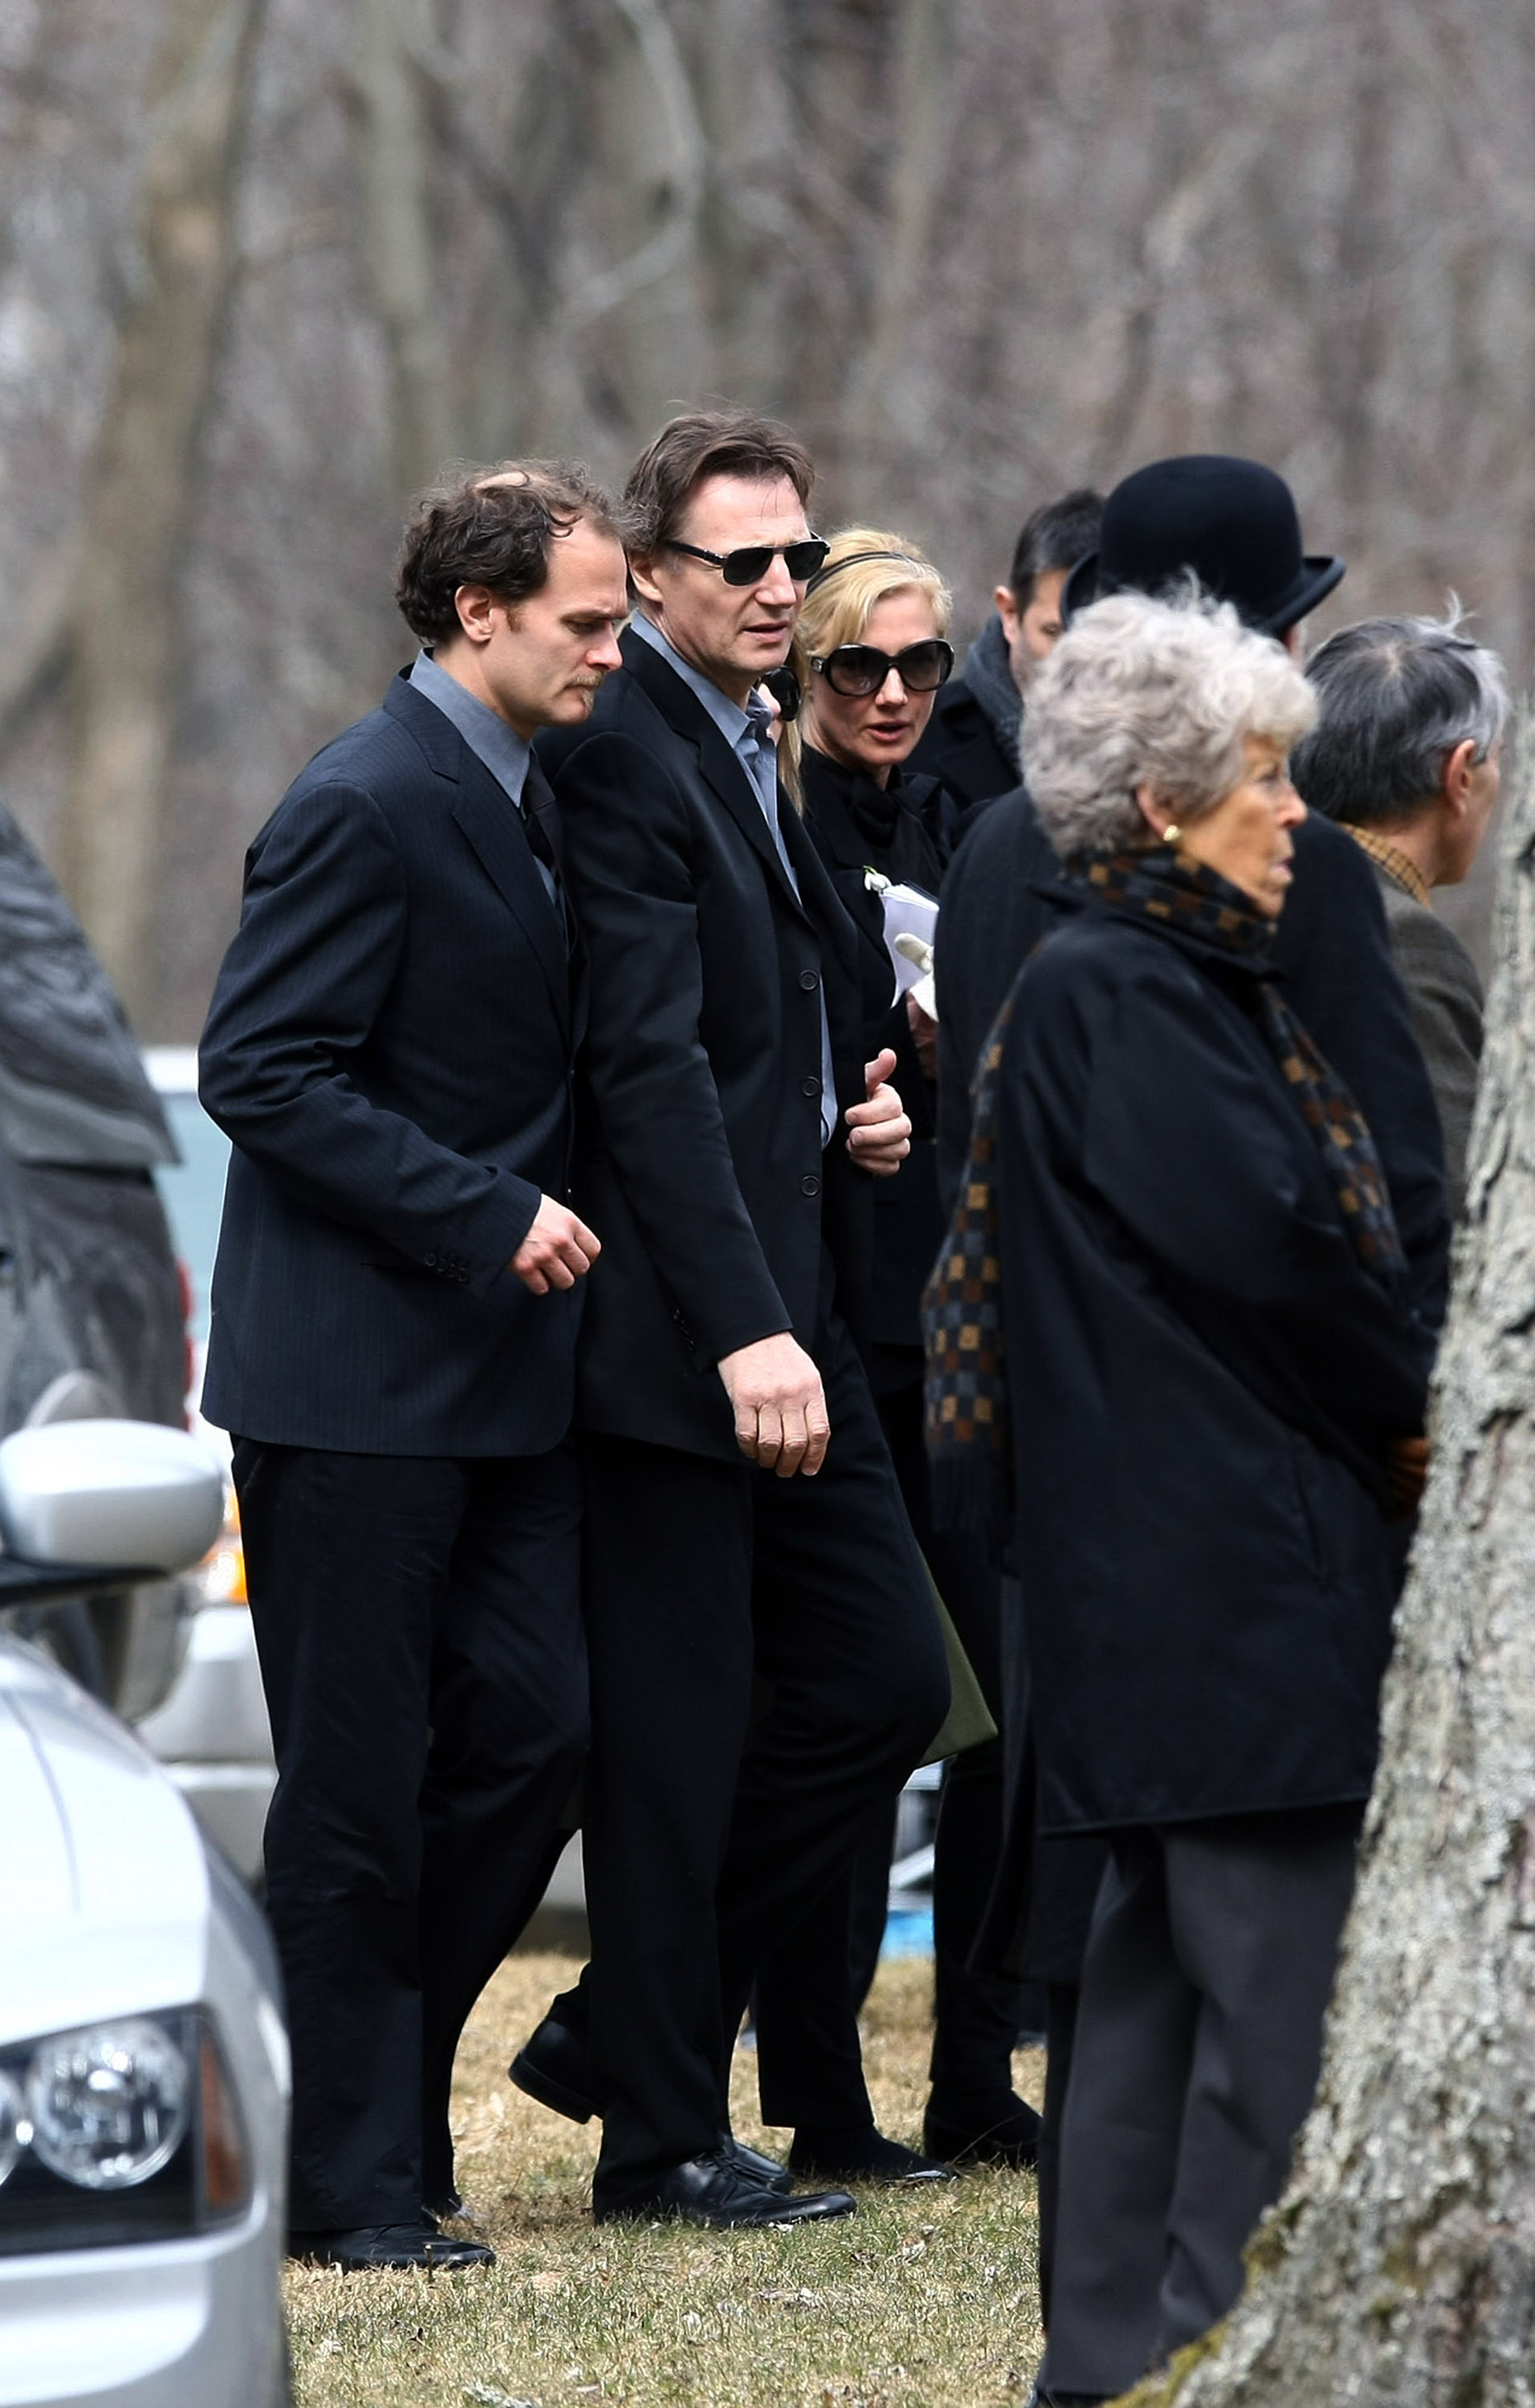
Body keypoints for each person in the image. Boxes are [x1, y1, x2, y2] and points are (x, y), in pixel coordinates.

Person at [932, 455, 1453, 2322]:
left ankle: (1107, 2341)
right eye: (1258, 778)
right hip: (1221, 1555)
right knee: (1258, 1977)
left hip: (1136, 1553)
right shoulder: (1132, 992)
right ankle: (1213, 2322)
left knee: (1141, 1969)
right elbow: (1290, 1251)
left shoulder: (1131, 960)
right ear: (1160, 802)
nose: (1290, 812)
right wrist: (1416, 1414)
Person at [511, 410, 951, 2228]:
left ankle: (627, 2027)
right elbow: (646, 1073)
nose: (781, 587)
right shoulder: (624, 753)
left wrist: (847, 1095)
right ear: (656, 578)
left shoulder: (752, 740)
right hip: (691, 1337)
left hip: (793, 1295)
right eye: (738, 565)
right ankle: (661, 2138)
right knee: (677, 1741)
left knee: (882, 1679)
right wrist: (746, 1329)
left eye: (795, 553)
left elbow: (771, 1019)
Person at [197, 464, 629, 2272]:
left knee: (538, 1739)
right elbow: (261, 1070)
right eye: (588, 621)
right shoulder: (366, 799)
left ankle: (359, 2106)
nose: (611, 651)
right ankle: (345, 2183)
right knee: (357, 1797)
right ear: (478, 614)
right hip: (355, 1393)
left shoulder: (528, 793)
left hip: (497, 1384)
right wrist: (482, 1211)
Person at [748, 525, 1040, 2174]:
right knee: (863, 1708)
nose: (890, 694)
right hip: (833, 1311)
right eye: (854, 664)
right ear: (804, 675)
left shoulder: (976, 816)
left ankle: (970, 2068)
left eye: (920, 666)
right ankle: (820, 2093)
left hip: (959, 1302)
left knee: (993, 1704)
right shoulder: (780, 824)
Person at [1292, 609, 1509, 1217]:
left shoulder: (1267, 898)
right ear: (1460, 774)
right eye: (1497, 759)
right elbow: (1463, 1204)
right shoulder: (1405, 943)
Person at [911, 489, 1102, 811]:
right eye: (1055, 632)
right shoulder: (916, 737)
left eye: (1098, 635)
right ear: (1010, 614)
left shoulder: (1165, 745)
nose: (1076, 659)